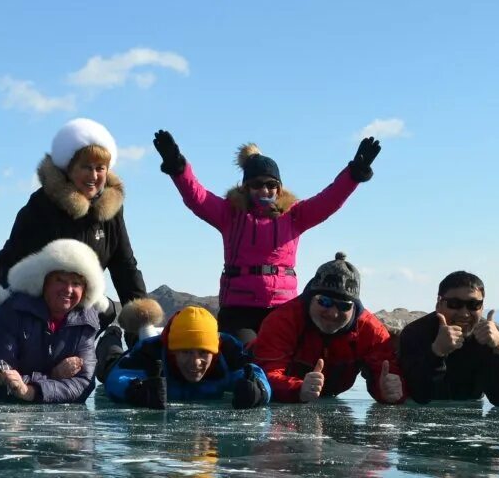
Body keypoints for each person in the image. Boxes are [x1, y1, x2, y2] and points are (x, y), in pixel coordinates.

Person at [151, 129, 381, 341]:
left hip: (282, 307)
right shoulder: (230, 214)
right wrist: (178, 167)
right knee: (245, 358)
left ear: (279, 188)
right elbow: (196, 196)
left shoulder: (295, 215)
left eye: (271, 185)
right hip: (238, 309)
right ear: (246, 188)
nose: (265, 190)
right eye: (257, 184)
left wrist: (354, 174)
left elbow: (330, 199)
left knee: (279, 364)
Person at [0, 118, 159, 336]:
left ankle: (110, 352)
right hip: (35, 313)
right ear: (69, 168)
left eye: (100, 168)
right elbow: (11, 260)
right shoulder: (41, 206)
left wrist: (143, 324)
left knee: (106, 312)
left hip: (81, 313)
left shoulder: (111, 212)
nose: (94, 176)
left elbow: (125, 267)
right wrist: (8, 314)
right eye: (86, 167)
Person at [0, 238, 104, 403]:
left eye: (76, 283)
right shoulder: (10, 312)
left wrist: (31, 391)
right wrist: (53, 376)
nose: (68, 289)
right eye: (60, 280)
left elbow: (84, 384)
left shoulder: (85, 322)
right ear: (43, 282)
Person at [250, 252, 407, 404]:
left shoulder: (371, 331)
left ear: (354, 307)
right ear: (311, 298)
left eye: (343, 306)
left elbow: (388, 379)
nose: (333, 313)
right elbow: (264, 375)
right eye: (324, 301)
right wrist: (297, 388)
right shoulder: (283, 320)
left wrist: (389, 392)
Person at [103, 305, 272, 409]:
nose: (195, 362)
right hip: (120, 360)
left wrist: (258, 391)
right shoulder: (151, 350)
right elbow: (116, 378)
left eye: (203, 352)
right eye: (186, 352)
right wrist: (137, 390)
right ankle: (112, 333)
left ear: (214, 351)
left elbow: (255, 374)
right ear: (172, 350)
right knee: (108, 364)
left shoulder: (228, 350)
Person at [396, 271, 499, 405]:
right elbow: (421, 396)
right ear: (439, 303)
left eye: (473, 305)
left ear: (482, 307)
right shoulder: (415, 333)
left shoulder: (491, 337)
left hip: (470, 417)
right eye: (455, 304)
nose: (464, 314)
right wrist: (436, 352)